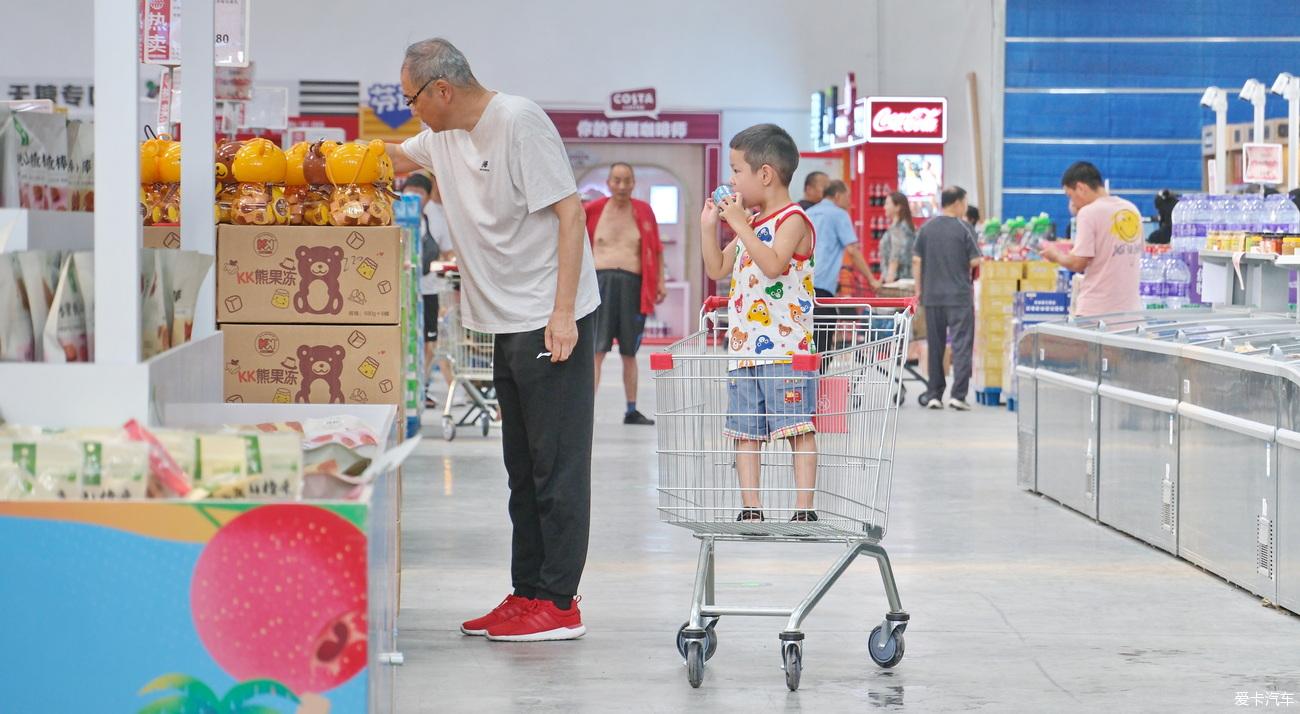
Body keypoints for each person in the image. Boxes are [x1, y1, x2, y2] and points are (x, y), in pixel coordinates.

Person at [389, 38, 600, 642]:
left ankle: (560, 603)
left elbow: (569, 213)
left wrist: (563, 314)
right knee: (521, 469)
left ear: (441, 91)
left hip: (547, 317)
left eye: (411, 99)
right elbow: (390, 158)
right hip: (504, 321)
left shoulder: (519, 121)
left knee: (557, 468)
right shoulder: (442, 138)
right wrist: (309, 160)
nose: (410, 112)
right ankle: (527, 591)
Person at [700, 123, 818, 523]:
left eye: (736, 171)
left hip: (788, 351)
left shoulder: (793, 219)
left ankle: (804, 510)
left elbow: (772, 265)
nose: (731, 180)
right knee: (745, 431)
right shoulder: (751, 220)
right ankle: (751, 507)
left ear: (764, 174)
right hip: (744, 348)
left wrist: (740, 225)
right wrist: (708, 227)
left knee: (797, 428)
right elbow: (717, 267)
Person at [584, 162, 666, 426]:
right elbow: (576, 246)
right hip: (600, 284)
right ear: (608, 183)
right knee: (596, 351)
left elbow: (656, 250)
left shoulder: (644, 212)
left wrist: (660, 283)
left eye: (626, 180)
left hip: (633, 285)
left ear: (633, 183)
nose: (621, 186)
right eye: (616, 180)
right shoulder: (593, 211)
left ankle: (632, 409)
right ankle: (585, 409)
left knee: (630, 353)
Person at [1040, 162, 1141, 317]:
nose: (1071, 202)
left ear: (1080, 188)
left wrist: (1055, 256)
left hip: (1097, 310)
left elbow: (1078, 263)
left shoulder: (1089, 213)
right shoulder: (1131, 209)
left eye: (1070, 195)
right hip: (1131, 310)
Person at [912, 186, 980, 412]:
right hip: (959, 297)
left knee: (935, 346)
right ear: (959, 203)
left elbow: (917, 262)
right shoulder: (965, 227)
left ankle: (934, 394)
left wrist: (919, 290)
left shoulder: (926, 228)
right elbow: (975, 262)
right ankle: (958, 395)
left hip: (932, 296)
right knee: (961, 345)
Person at [402, 172, 456, 408]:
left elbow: (447, 250)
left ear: (428, 195)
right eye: (409, 190)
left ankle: (420, 388)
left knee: (427, 342)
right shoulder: (397, 215)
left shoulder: (435, 216)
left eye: (420, 192)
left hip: (429, 290)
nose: (414, 196)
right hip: (404, 291)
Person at [808, 179, 878, 354]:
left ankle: (805, 378)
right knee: (823, 343)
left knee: (806, 341)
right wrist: (871, 280)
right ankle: (818, 379)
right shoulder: (838, 214)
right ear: (837, 196)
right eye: (848, 197)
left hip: (801, 284)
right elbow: (853, 251)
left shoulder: (808, 212)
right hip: (823, 287)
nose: (850, 202)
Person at [880, 192, 916, 283]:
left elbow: (895, 256)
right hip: (902, 280)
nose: (884, 207)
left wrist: (889, 278)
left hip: (898, 281)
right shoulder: (901, 227)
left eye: (887, 204)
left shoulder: (899, 228)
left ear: (897, 207)